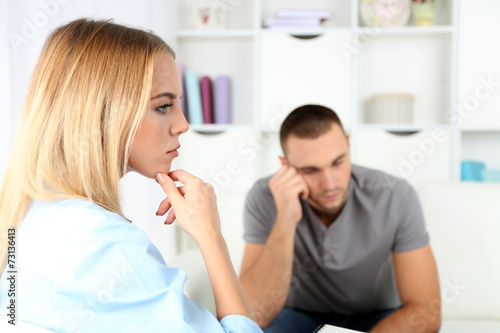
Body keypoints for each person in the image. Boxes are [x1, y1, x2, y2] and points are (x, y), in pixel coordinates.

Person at [0, 18, 261, 332]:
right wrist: (211, 236)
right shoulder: (103, 245)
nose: (182, 125)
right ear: (102, 111)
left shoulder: (28, 208)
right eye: (164, 106)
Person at [239, 105, 441, 333]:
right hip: (296, 317)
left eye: (337, 162)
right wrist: (285, 216)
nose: (330, 184)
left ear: (348, 145)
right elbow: (253, 315)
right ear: (286, 166)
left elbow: (426, 312)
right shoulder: (264, 197)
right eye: (310, 170)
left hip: (376, 318)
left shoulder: (396, 195)